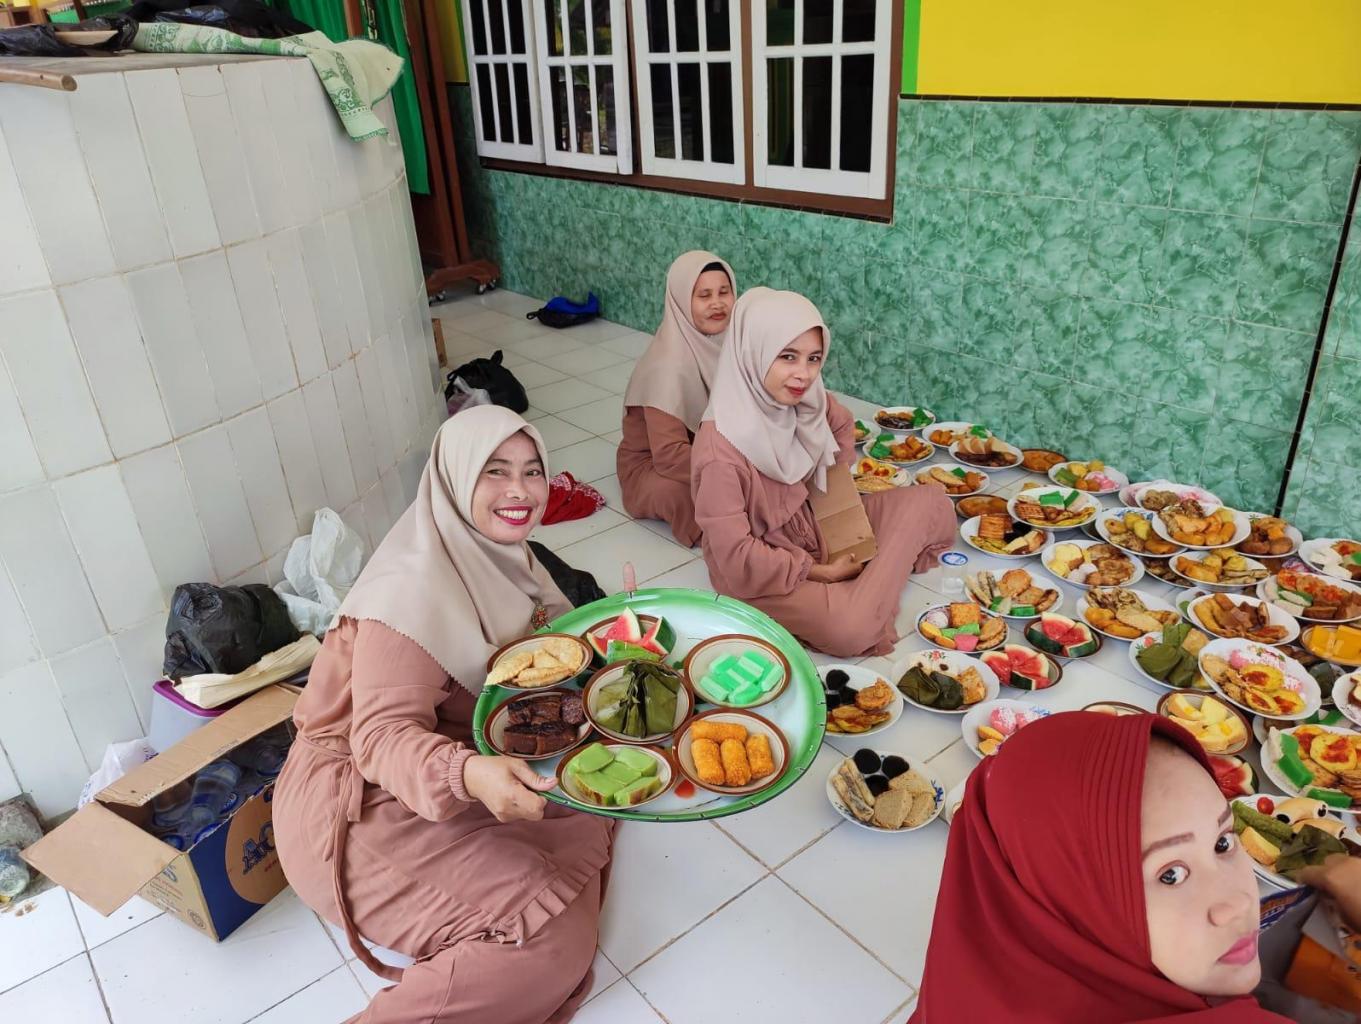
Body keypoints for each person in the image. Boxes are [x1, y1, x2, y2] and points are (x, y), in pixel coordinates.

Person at [273, 406, 614, 1024]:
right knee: (547, 947)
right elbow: (381, 738)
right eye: (494, 471)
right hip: (357, 804)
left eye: (533, 471)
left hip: (454, 760)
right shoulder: (410, 590)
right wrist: (469, 774)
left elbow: (552, 654)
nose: (520, 491)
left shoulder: (508, 559)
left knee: (604, 790)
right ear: (454, 479)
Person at [912, 711, 1289, 1023]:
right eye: (1170, 874)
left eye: (1223, 842)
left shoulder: (962, 988)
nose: (1239, 904)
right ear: (1069, 903)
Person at [689, 287, 954, 658]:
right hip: (764, 571)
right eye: (787, 356)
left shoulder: (807, 400)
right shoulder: (720, 452)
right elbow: (737, 557)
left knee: (933, 501)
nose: (803, 374)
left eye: (813, 358)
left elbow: (841, 426)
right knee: (849, 630)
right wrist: (818, 571)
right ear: (752, 353)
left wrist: (834, 510)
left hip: (814, 526)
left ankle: (866, 586)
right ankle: (867, 584)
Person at [617, 251, 736, 547]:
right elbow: (669, 457)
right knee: (696, 499)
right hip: (656, 466)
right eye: (704, 295)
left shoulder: (731, 342)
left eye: (724, 292)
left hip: (712, 451)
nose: (717, 303)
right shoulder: (667, 368)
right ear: (681, 301)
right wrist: (734, 470)